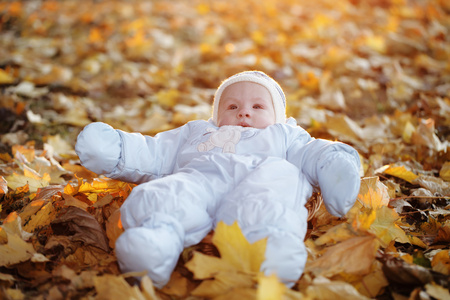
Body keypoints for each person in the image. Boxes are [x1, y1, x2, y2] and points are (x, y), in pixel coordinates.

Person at [75, 71, 361, 288]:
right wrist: (115, 149)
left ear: (279, 117)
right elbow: (157, 151)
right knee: (170, 192)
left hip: (260, 180)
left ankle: (268, 248)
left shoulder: (285, 136)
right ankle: (155, 241)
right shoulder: (198, 132)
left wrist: (333, 164)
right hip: (201, 178)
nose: (244, 112)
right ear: (216, 115)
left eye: (258, 107)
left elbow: (313, 152)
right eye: (232, 106)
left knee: (274, 191)